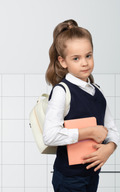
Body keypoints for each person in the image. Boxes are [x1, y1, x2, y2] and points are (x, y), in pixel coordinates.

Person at [43, 19, 119, 191]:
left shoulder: (97, 92)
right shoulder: (62, 91)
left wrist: (110, 148)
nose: (84, 63)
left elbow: (112, 130)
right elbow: (50, 136)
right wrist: (89, 132)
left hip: (92, 176)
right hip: (69, 179)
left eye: (88, 56)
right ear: (63, 62)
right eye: (76, 58)